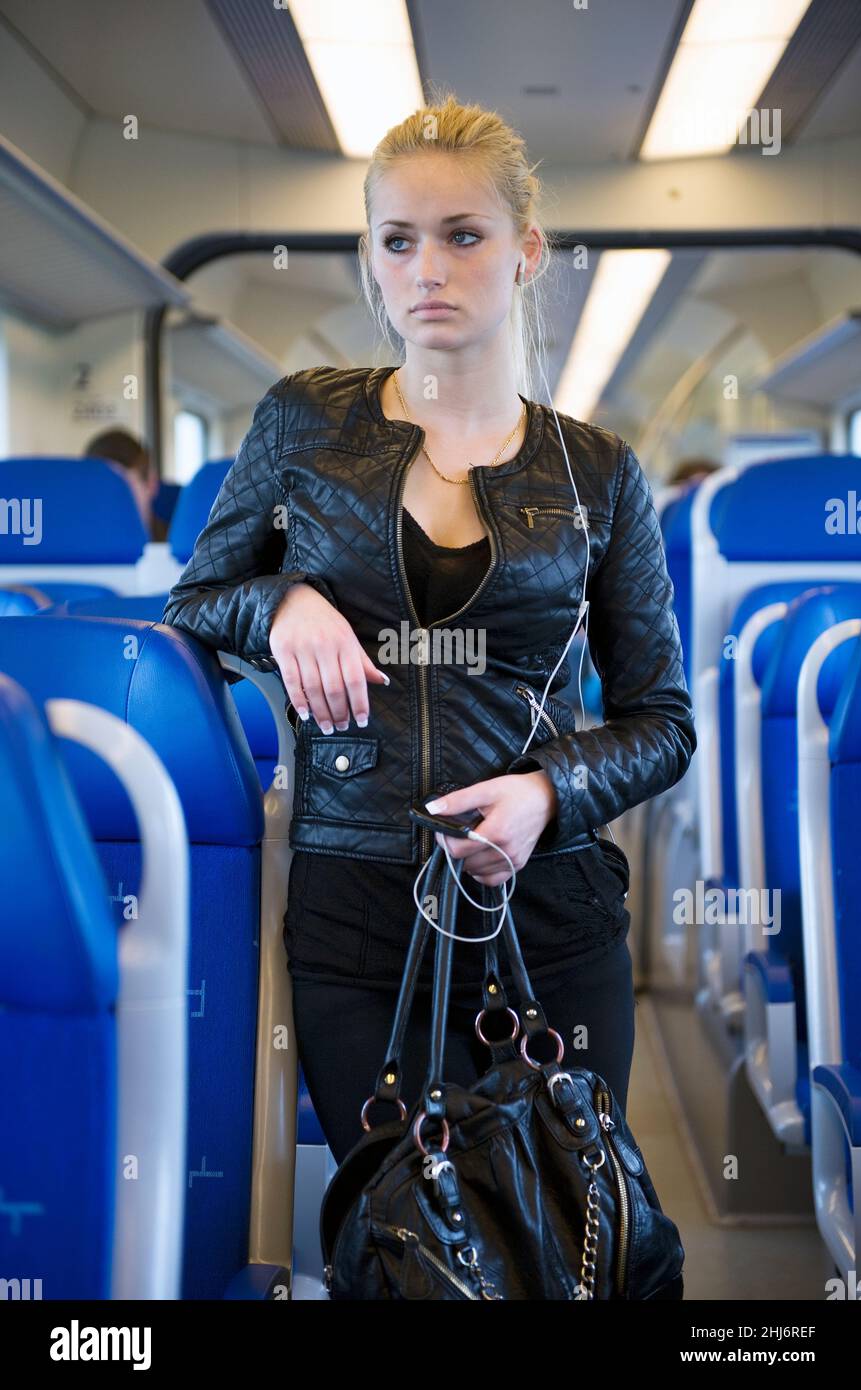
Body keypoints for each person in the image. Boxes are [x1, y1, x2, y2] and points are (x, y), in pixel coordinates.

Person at [162, 91, 696, 1168]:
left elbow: (663, 722)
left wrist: (549, 792)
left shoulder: (596, 472)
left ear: (525, 253)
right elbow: (191, 608)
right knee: (397, 1236)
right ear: (372, 257)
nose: (427, 270)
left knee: (560, 1235)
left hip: (549, 912)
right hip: (356, 907)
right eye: (398, 241)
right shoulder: (304, 423)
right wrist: (282, 603)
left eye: (463, 236)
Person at [83, 428, 168, 541]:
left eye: (122, 490)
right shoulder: (73, 548)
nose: (110, 502)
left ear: (152, 484)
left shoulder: (189, 550)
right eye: (100, 491)